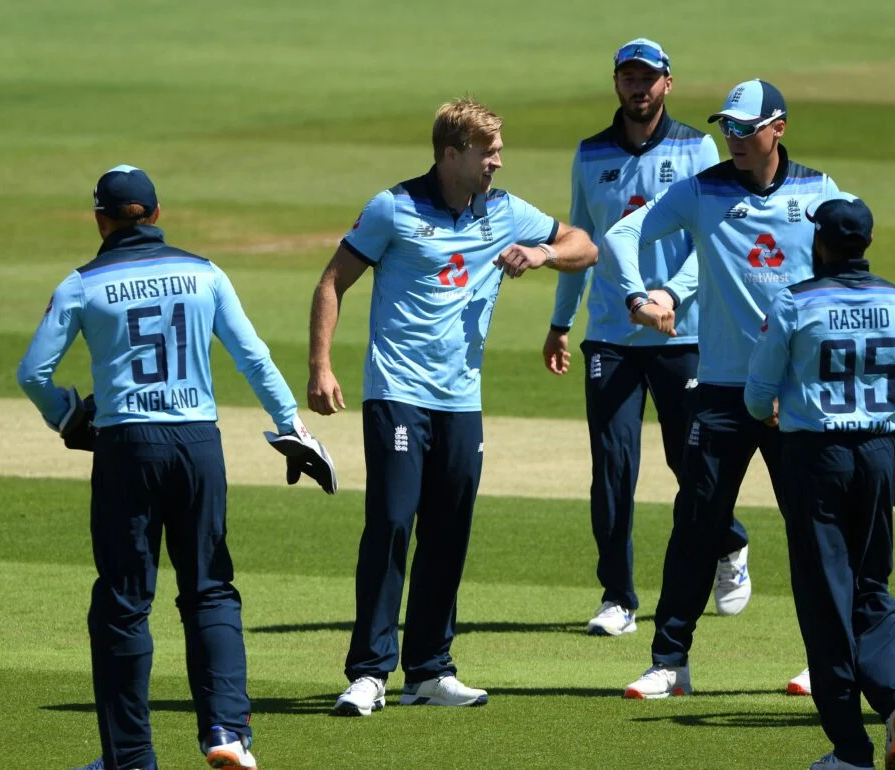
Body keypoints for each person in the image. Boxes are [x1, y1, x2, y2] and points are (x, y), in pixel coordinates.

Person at [17, 165, 334, 770]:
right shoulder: (203, 272)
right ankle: (226, 733)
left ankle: (130, 758)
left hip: (125, 448)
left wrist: (67, 418)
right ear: (157, 215)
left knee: (123, 604)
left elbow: (33, 373)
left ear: (99, 220)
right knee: (210, 591)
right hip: (197, 446)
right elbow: (253, 356)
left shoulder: (81, 284)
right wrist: (292, 426)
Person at [308, 98, 597, 716]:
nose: (497, 161)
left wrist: (543, 254)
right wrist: (321, 367)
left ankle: (430, 670)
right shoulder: (394, 207)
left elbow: (584, 245)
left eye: (497, 150)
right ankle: (368, 673)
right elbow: (333, 280)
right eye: (486, 152)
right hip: (397, 393)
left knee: (449, 531)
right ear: (450, 155)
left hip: (461, 401)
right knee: (391, 523)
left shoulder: (506, 210)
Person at [605, 80, 839, 698]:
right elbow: (623, 234)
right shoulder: (702, 189)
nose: (734, 138)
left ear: (778, 128)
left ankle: (828, 661)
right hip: (723, 391)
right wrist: (639, 294)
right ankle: (669, 663)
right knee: (696, 524)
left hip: (797, 398)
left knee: (812, 529)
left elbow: (847, 270)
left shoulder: (820, 191)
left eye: (746, 128)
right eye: (728, 127)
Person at [544, 38, 746, 637]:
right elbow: (579, 244)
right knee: (612, 466)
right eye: (628, 78)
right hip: (609, 334)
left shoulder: (697, 147)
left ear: (667, 83)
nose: (638, 88)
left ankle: (730, 543)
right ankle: (618, 598)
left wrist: (672, 296)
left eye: (648, 78)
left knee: (692, 462)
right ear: (616, 84)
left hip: (680, 333)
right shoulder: (590, 154)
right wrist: (561, 322)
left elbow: (713, 242)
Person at [745, 194, 895, 770]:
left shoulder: (795, 301)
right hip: (878, 450)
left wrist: (772, 413)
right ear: (867, 244)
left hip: (816, 457)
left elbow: (755, 397)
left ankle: (851, 747)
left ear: (820, 242)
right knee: (873, 587)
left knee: (826, 600)